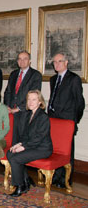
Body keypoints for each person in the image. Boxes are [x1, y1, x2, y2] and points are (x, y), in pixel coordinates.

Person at [48, 53, 85, 188]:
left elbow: (80, 102)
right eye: (54, 62)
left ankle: (66, 180)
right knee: (55, 150)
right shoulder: (53, 79)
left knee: (67, 152)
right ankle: (56, 178)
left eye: (60, 61)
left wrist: (74, 121)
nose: (57, 64)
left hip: (67, 122)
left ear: (66, 62)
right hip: (54, 121)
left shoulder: (74, 79)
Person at [7, 90, 53, 197]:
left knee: (15, 158)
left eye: (34, 99)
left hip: (42, 148)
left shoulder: (43, 117)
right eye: (29, 99)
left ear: (40, 102)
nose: (31, 102)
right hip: (32, 145)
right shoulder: (28, 115)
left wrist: (23, 147)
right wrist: (18, 144)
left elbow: (39, 138)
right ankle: (25, 180)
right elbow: (26, 135)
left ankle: (20, 186)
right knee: (10, 153)